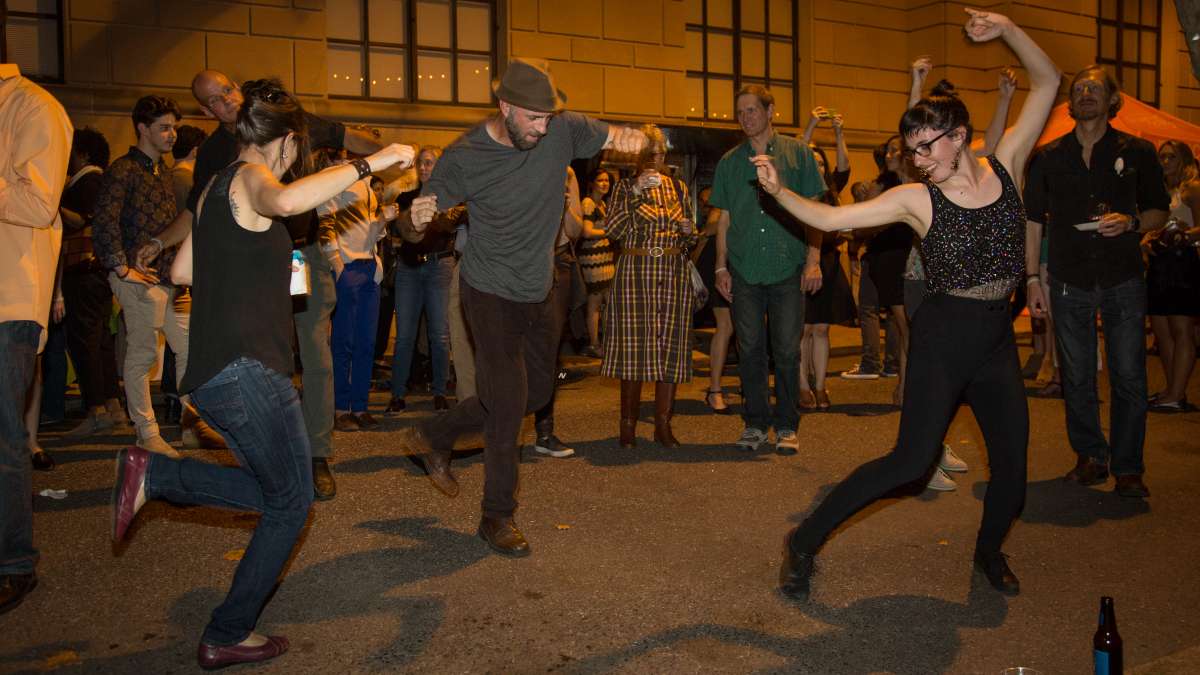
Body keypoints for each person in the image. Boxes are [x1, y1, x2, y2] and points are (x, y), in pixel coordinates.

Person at [110, 79, 414, 669]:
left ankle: (156, 476)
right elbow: (284, 203)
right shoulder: (252, 180)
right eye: (298, 152)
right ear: (289, 142)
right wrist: (372, 163)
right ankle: (226, 626)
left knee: (282, 496)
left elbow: (182, 268)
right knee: (291, 505)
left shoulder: (211, 192)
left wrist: (258, 269)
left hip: (211, 376)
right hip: (250, 369)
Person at [761, 9, 1060, 600]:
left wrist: (1007, 29)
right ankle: (803, 540)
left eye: (925, 147)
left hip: (998, 335)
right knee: (909, 464)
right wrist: (779, 191)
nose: (917, 158)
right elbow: (832, 217)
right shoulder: (915, 198)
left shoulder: (1009, 162)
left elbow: (1048, 81)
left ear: (957, 136)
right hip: (944, 333)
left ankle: (987, 553)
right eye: (911, 149)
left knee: (1014, 471)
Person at [398, 57, 647, 557]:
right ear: (505, 107)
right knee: (509, 402)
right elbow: (411, 225)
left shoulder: (561, 129)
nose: (543, 127)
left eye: (549, 117)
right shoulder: (466, 155)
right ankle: (497, 516)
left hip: (541, 288)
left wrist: (632, 137)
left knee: (533, 396)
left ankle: (434, 433)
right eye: (533, 118)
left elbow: (612, 134)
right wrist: (415, 219)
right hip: (488, 290)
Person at [137, 69, 384, 501]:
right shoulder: (217, 154)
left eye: (227, 91)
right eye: (212, 101)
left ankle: (316, 455)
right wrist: (160, 239)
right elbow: (200, 214)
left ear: (238, 89)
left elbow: (350, 135)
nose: (225, 102)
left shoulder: (287, 118)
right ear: (205, 110)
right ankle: (274, 461)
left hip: (299, 253)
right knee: (266, 357)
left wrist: (394, 159)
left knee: (314, 351)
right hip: (252, 262)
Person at [1024, 65, 1170, 499]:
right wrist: (1032, 277)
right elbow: (1032, 221)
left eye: (1095, 89)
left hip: (1123, 276)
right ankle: (1090, 457)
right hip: (1068, 279)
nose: (1086, 93)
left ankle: (1128, 467)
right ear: (1070, 103)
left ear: (1112, 101)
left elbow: (1159, 211)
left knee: (1128, 374)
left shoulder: (1139, 151)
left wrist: (1131, 222)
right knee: (1077, 374)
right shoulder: (1048, 157)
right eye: (1079, 89)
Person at [710, 84, 826, 454]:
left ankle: (788, 424)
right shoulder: (730, 162)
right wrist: (719, 268)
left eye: (752, 110)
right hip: (744, 269)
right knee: (750, 349)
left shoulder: (798, 154)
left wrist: (813, 260)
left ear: (770, 110)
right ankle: (756, 423)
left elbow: (815, 214)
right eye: (740, 112)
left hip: (788, 267)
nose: (746, 118)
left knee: (788, 351)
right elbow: (725, 219)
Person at [0, 61, 72, 615]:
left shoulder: (32, 106)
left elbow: (38, 204)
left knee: (4, 441)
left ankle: (12, 563)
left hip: (9, 302)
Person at [91, 95, 196, 457]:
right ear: (142, 129)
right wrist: (122, 268)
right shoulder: (123, 170)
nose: (172, 134)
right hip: (136, 278)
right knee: (143, 355)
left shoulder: (161, 172)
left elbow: (171, 228)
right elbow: (103, 222)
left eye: (174, 128)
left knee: (185, 349)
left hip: (164, 279)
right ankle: (146, 432)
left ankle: (191, 424)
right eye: (164, 127)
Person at [602, 125, 697, 448]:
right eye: (650, 154)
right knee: (633, 351)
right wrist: (635, 194)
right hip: (635, 274)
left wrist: (688, 230)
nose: (656, 159)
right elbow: (613, 231)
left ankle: (663, 426)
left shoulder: (678, 188)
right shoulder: (624, 188)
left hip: (672, 273)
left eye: (660, 153)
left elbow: (690, 237)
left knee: (669, 349)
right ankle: (627, 426)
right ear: (639, 158)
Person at [318, 150, 399, 432]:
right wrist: (337, 264)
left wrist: (384, 219)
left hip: (369, 269)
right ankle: (341, 408)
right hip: (349, 267)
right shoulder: (336, 178)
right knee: (343, 342)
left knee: (366, 342)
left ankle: (360, 406)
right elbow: (325, 220)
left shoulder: (367, 185)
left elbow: (372, 233)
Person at [61, 127, 129, 440]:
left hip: (83, 270)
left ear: (84, 153)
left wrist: (51, 202)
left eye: (71, 151)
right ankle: (112, 407)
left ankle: (96, 409)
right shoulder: (102, 181)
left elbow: (81, 221)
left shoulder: (87, 182)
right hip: (101, 271)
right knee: (100, 338)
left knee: (84, 339)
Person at [388, 147, 459, 414]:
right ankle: (397, 394)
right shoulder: (406, 198)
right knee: (404, 336)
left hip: (439, 266)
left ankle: (440, 391)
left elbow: (448, 226)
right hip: (409, 268)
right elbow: (400, 230)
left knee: (439, 335)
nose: (424, 168)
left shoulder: (451, 201)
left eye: (430, 163)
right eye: (421, 163)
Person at [798, 107, 855, 410]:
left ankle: (820, 387)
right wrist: (811, 124)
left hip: (830, 262)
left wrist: (838, 131)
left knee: (821, 328)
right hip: (801, 262)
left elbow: (844, 165)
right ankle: (802, 386)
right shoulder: (797, 187)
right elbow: (795, 151)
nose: (818, 165)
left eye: (821, 161)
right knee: (802, 329)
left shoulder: (830, 190)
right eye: (813, 161)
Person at [531, 166, 585, 458]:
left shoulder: (566, 172)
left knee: (548, 351)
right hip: (524, 262)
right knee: (513, 348)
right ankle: (504, 431)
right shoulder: (520, 159)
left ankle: (545, 431)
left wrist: (564, 204)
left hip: (559, 262)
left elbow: (575, 231)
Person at [1144, 140, 1200, 412]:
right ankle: (1171, 389)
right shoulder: (1159, 190)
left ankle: (1177, 393)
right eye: (1162, 157)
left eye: (1171, 157)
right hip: (1158, 263)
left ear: (1184, 159)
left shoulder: (1192, 189)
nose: (1165, 162)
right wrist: (1146, 240)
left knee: (1182, 329)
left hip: (1183, 262)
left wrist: (1181, 234)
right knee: (1161, 329)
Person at [692, 185, 734, 413]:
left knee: (745, 327)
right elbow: (710, 228)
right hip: (719, 264)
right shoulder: (723, 201)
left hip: (742, 262)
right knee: (725, 326)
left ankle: (750, 386)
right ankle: (714, 389)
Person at [578, 168, 616, 357]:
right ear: (592, 183)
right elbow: (586, 232)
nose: (604, 184)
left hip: (606, 259)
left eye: (607, 181)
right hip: (593, 259)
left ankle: (604, 342)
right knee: (595, 303)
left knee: (606, 302)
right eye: (600, 180)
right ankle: (594, 344)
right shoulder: (589, 203)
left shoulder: (603, 204)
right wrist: (609, 232)